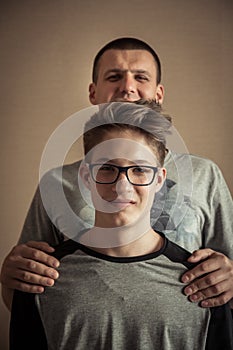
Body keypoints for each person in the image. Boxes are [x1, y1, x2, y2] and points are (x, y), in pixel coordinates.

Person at [1, 37, 233, 312]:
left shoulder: (205, 175)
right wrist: (11, 278)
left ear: (158, 94)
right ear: (93, 92)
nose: (127, 87)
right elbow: (25, 291)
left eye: (140, 77)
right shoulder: (56, 184)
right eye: (114, 77)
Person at [9, 102, 233, 350]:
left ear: (159, 179)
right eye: (107, 168)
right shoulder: (43, 280)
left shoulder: (205, 284)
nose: (122, 187)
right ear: (85, 176)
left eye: (139, 169)